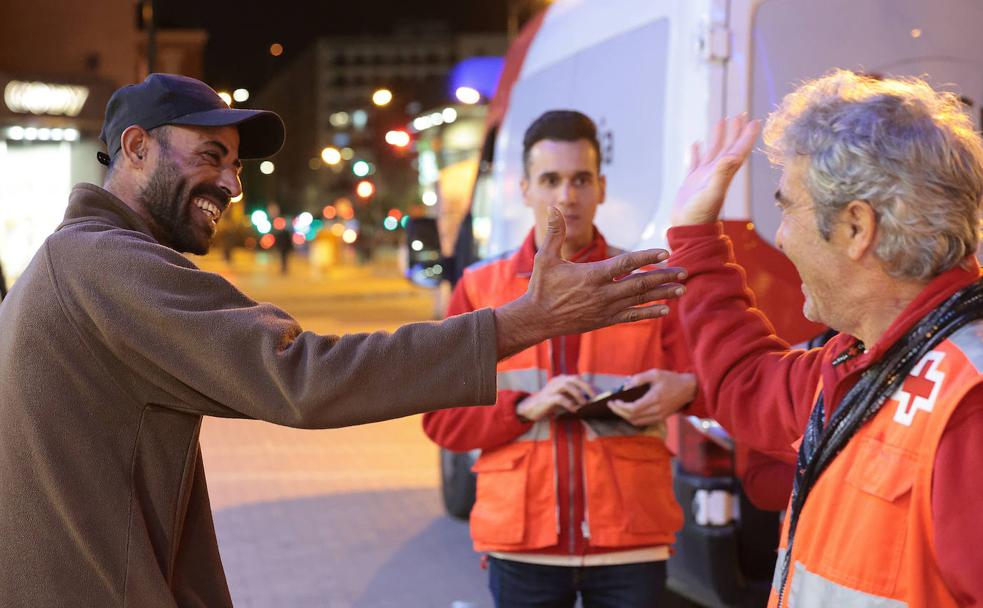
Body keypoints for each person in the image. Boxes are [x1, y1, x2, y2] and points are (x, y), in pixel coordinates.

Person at [0, 75, 687, 607]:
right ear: (136, 148)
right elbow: (303, 375)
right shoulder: (105, 265)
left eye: (238, 166)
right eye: (212, 156)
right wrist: (523, 322)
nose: (232, 183)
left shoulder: (71, 261)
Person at [668, 70, 983, 606]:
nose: (782, 238)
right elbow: (746, 384)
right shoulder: (866, 360)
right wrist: (695, 237)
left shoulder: (967, 404)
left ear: (857, 227)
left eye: (787, 206)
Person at [423, 110, 698, 608]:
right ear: (524, 189)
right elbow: (442, 422)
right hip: (523, 543)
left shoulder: (643, 283)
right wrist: (523, 408)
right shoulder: (480, 288)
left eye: (580, 179)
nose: (567, 196)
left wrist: (686, 390)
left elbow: (710, 384)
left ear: (602, 187)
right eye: (550, 180)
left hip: (630, 540)